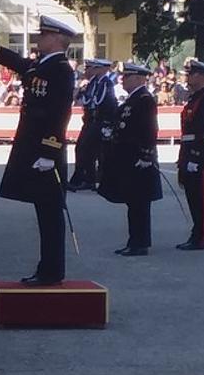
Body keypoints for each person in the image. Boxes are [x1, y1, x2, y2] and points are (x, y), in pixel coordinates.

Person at [0, 15, 77, 285]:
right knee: (44, 212)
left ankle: (52, 272)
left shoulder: (61, 70)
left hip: (46, 153)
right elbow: (11, 60)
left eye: (44, 35)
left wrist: (49, 151)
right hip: (33, 147)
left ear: (57, 40)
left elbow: (60, 113)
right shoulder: (42, 65)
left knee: (51, 213)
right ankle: (47, 269)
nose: (38, 38)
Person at [98, 62, 160, 256]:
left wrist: (146, 155)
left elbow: (150, 129)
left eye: (127, 76)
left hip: (138, 158)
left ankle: (139, 243)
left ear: (139, 78)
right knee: (133, 202)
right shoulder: (132, 99)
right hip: (127, 157)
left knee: (139, 203)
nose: (122, 80)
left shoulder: (144, 99)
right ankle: (134, 240)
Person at [177, 59, 204, 250]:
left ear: (202, 77)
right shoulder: (193, 99)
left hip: (199, 155)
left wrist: (193, 156)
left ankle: (202, 237)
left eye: (192, 74)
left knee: (201, 200)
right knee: (192, 198)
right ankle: (196, 233)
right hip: (188, 152)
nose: (188, 77)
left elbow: (202, 131)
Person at [67, 58, 116, 192]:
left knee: (94, 151)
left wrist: (107, 123)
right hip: (90, 120)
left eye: (91, 68)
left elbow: (104, 102)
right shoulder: (92, 83)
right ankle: (86, 179)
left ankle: (91, 179)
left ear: (101, 70)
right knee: (83, 149)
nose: (87, 71)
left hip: (100, 120)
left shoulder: (106, 84)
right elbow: (81, 99)